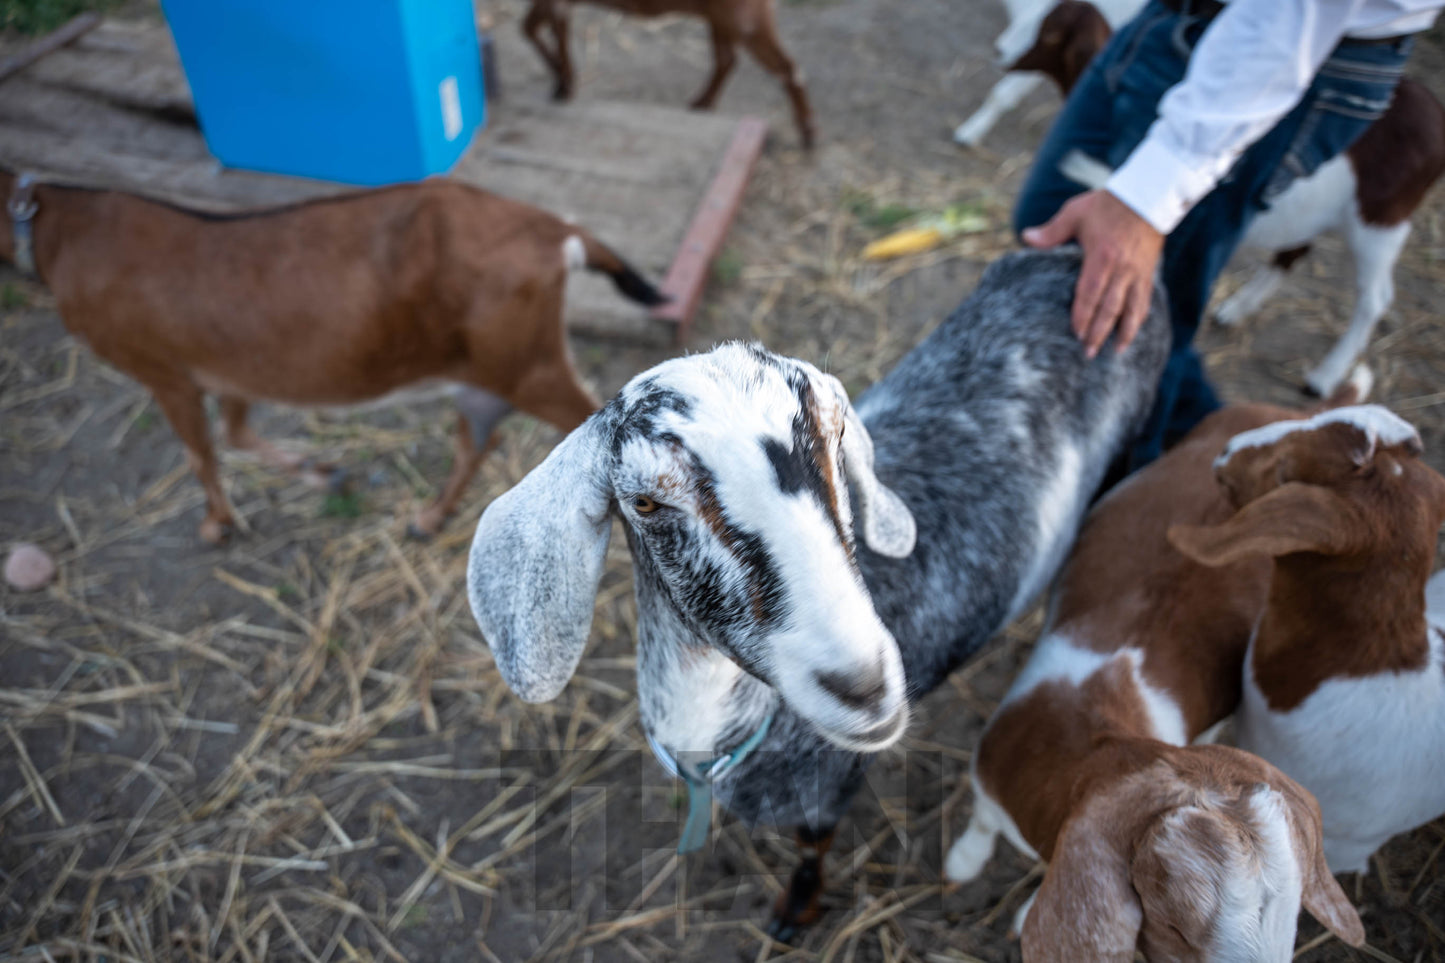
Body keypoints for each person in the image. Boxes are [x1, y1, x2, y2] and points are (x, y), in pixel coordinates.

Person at [1015, 0, 1441, 469]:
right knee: (1049, 219)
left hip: (1281, 49)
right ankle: (1216, 436)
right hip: (1178, 17)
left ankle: (1127, 491)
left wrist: (1151, 195)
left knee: (1137, 322)